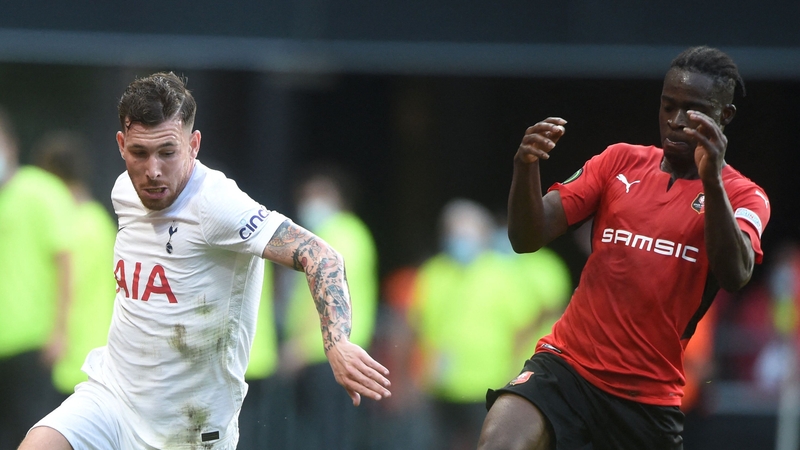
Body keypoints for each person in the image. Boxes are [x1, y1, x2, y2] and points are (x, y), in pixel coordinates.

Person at [19, 72, 391, 450]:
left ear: (193, 144)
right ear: (121, 145)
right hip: (112, 398)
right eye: (139, 153)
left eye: (168, 152)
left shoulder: (217, 204)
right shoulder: (124, 192)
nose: (152, 171)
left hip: (189, 425)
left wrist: (336, 341)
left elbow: (320, 255)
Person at [477, 46, 771, 450]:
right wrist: (526, 167)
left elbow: (735, 273)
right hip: (566, 367)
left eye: (693, 111)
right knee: (500, 443)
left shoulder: (745, 196)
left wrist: (711, 182)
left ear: (725, 117)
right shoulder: (619, 162)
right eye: (668, 107)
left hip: (645, 400)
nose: (676, 121)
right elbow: (526, 238)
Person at [411, 198, 557, 450]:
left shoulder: (502, 274)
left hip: (488, 383)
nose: (460, 239)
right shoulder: (434, 272)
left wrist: (514, 370)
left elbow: (527, 323)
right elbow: (419, 324)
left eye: (467, 233)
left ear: (483, 235)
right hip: (441, 383)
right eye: (454, 232)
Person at [280, 165, 379, 449]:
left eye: (313, 197)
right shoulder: (336, 232)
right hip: (326, 349)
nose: (307, 205)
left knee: (330, 433)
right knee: (329, 432)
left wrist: (298, 344)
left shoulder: (340, 234)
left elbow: (329, 292)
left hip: (331, 350)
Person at [0, 110, 75, 448]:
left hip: (31, 345)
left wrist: (59, 330)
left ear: (11, 145)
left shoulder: (42, 192)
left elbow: (66, 264)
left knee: (30, 434)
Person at [32, 130, 118, 398]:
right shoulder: (101, 221)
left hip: (69, 359)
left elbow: (60, 287)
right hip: (101, 354)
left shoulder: (67, 227)